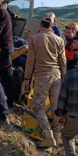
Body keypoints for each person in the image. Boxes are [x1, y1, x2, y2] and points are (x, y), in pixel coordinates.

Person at [21, 13, 66, 148]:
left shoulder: (34, 38)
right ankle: (57, 138)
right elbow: (63, 62)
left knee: (38, 106)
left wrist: (26, 79)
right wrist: (64, 79)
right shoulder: (60, 40)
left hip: (42, 75)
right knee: (56, 108)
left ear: (40, 24)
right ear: (52, 25)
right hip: (57, 75)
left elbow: (30, 62)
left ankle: (48, 137)